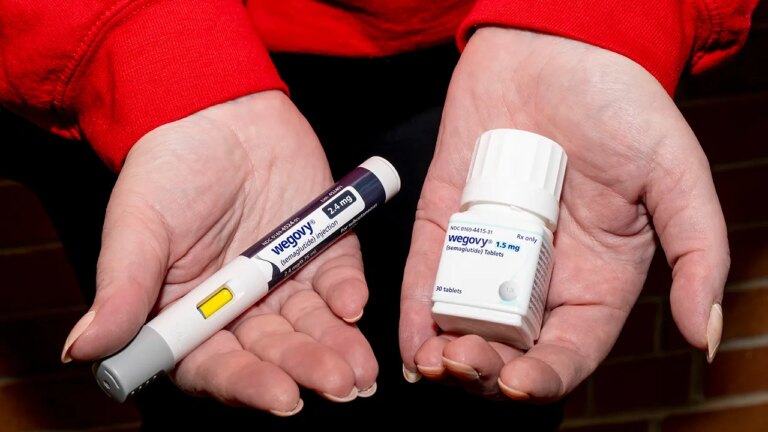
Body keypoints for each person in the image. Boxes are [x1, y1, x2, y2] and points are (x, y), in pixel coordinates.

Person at [0, 0, 758, 429]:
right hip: (155, 56)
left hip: (487, 52)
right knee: (222, 413)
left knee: (481, 396)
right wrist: (146, 52)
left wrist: (605, 17)